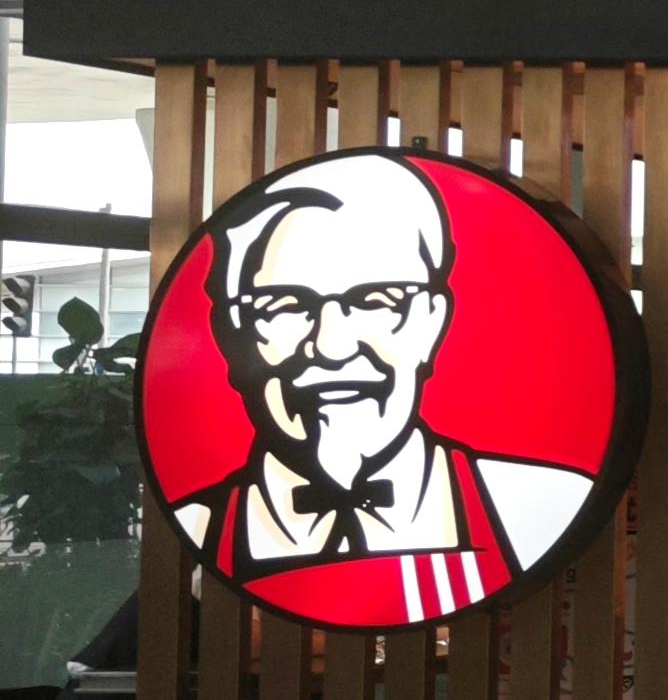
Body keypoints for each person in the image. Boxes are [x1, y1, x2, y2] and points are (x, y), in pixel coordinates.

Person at [170, 155, 598, 623]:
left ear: (432, 323)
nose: (332, 347)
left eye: (376, 301)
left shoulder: (535, 506)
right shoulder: (195, 528)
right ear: (233, 337)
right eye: (285, 306)